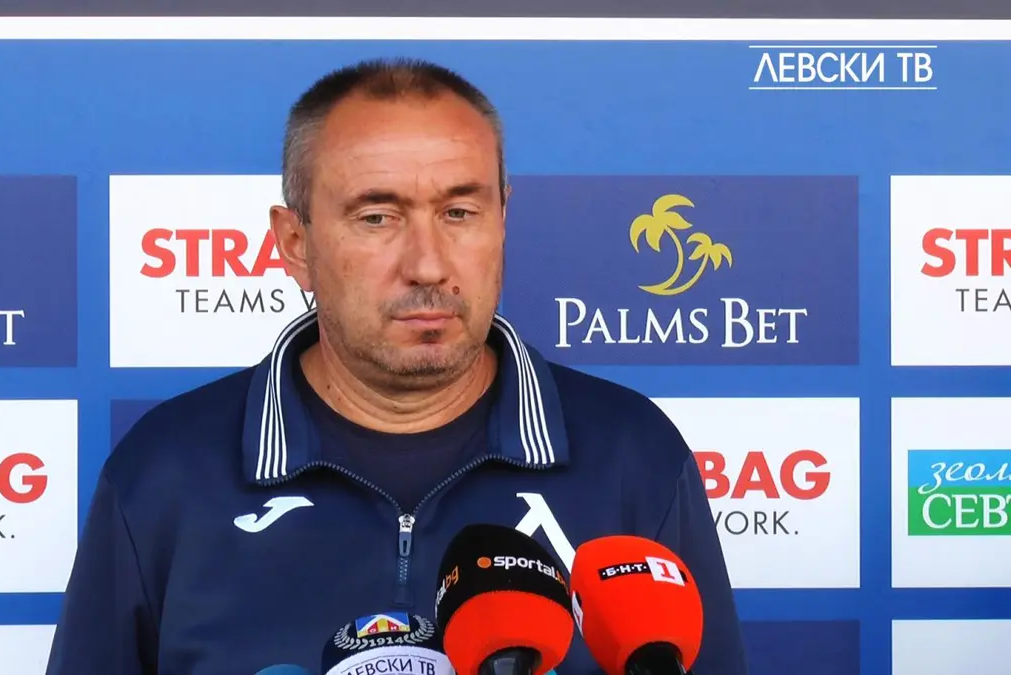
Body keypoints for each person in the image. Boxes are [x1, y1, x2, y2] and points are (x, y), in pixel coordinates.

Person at [45, 58, 748, 675]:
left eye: (460, 211)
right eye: (377, 217)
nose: (428, 265)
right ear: (295, 243)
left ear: (503, 218)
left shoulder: (634, 455)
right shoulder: (164, 472)